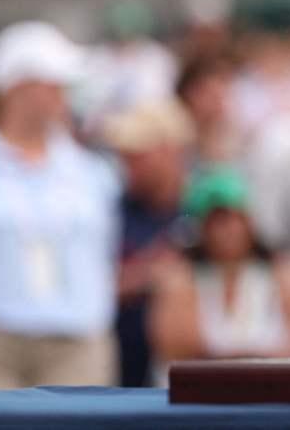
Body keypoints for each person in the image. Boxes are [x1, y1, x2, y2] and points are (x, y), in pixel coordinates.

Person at [0, 21, 120, 388]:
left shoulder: (91, 171)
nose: (63, 94)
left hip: (77, 341)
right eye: (52, 84)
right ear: (17, 89)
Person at [147, 167, 290, 375]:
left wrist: (228, 357)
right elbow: (179, 348)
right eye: (220, 220)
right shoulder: (177, 280)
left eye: (238, 218)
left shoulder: (289, 276)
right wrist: (258, 356)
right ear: (202, 227)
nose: (231, 229)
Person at [104, 99, 195, 387]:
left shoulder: (210, 210)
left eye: (138, 154)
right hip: (119, 372)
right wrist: (147, 275)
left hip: (188, 375)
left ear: (172, 151)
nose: (127, 163)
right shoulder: (111, 211)